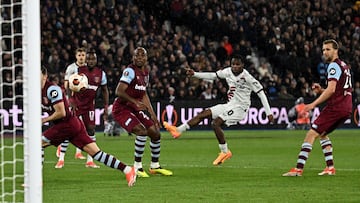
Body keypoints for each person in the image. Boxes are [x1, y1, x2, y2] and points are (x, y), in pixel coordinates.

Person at [164, 55, 274, 165]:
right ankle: (178, 130)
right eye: (233, 64)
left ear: (242, 65)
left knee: (215, 124)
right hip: (230, 105)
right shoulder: (227, 72)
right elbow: (213, 75)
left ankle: (225, 151)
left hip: (240, 108)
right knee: (203, 113)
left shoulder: (248, 77)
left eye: (237, 64)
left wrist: (268, 112)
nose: (235, 67)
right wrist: (195, 74)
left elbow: (261, 93)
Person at [41, 67, 136, 186]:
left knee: (37, 144)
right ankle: (127, 170)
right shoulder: (38, 92)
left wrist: (44, 120)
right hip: (73, 124)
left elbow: (61, 112)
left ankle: (36, 180)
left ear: (44, 76)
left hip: (66, 125)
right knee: (96, 153)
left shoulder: (52, 90)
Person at [282, 39, 353, 176]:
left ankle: (298, 169)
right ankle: (330, 168)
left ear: (335, 50)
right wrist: (321, 91)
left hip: (336, 107)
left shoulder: (333, 66)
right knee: (323, 134)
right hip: (346, 108)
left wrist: (313, 104)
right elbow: (336, 89)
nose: (325, 52)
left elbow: (332, 90)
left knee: (311, 134)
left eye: (328, 49)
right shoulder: (344, 66)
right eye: (323, 50)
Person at [112, 47, 173, 177]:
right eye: (136, 56)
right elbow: (119, 91)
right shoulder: (130, 71)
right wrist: (134, 101)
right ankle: (137, 167)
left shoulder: (145, 73)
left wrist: (153, 115)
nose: (139, 58)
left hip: (135, 106)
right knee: (141, 131)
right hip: (121, 109)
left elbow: (144, 94)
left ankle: (154, 166)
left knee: (155, 133)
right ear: (133, 58)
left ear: (146, 58)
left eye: (142, 56)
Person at [56, 50, 109, 169]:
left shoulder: (101, 74)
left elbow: (105, 90)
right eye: (88, 59)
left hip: (89, 106)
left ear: (96, 60)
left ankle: (90, 161)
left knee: (91, 130)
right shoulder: (78, 71)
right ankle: (61, 159)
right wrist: (71, 100)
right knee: (69, 129)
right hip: (77, 105)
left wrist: (106, 106)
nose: (90, 61)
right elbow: (69, 86)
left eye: (92, 59)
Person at [56, 47, 87, 161]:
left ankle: (78, 152)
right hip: (73, 100)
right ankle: (60, 144)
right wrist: (70, 99)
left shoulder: (87, 68)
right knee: (71, 125)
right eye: (79, 55)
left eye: (83, 55)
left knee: (82, 126)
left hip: (83, 101)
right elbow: (66, 84)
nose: (81, 57)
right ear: (76, 56)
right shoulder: (71, 68)